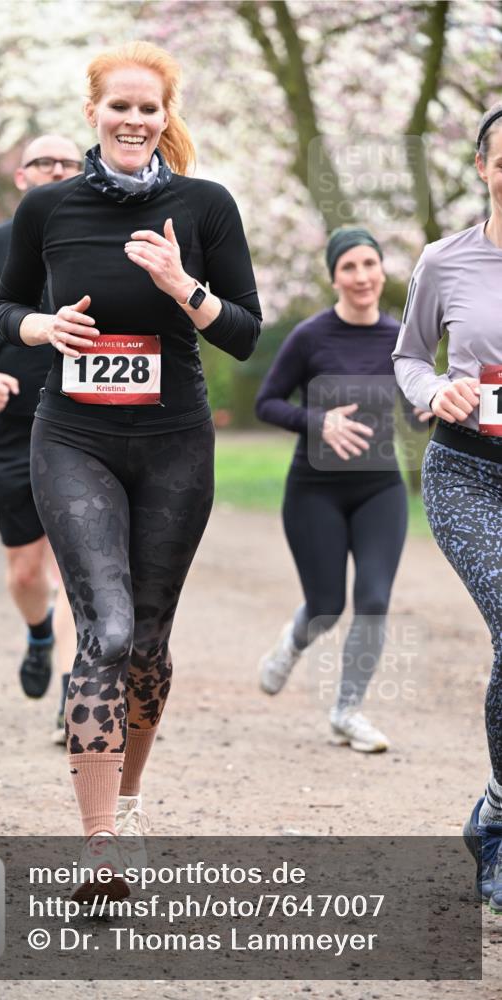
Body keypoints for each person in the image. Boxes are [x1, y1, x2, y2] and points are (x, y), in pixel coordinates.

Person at [0, 41, 261, 894]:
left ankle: (130, 800)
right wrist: (41, 330)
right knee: (104, 632)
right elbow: (6, 308)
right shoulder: (50, 209)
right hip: (72, 438)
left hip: (174, 440)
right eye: (120, 106)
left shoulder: (205, 205)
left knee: (147, 642)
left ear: (165, 116)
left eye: (150, 108)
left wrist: (185, 285)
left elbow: (245, 333)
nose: (135, 120)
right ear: (93, 113)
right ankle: (100, 844)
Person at [256, 227, 432, 753]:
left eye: (369, 265)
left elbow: (414, 412)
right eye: (349, 267)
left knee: (374, 599)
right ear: (334, 276)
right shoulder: (310, 336)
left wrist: (428, 410)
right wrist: (318, 420)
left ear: (382, 271)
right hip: (315, 491)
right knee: (327, 605)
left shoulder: (402, 339)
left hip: (380, 488)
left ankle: (347, 711)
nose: (361, 276)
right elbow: (267, 402)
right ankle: (293, 642)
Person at [393, 101, 502, 914]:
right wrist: (437, 389)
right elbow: (405, 356)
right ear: (480, 167)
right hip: (468, 473)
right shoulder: (445, 260)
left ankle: (494, 809)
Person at [0, 135, 80, 741]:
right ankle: (38, 636)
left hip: (87, 423)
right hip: (13, 422)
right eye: (44, 162)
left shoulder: (105, 242)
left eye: (69, 162)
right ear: (21, 177)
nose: (57, 170)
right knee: (28, 574)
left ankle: (80, 693)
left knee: (85, 565)